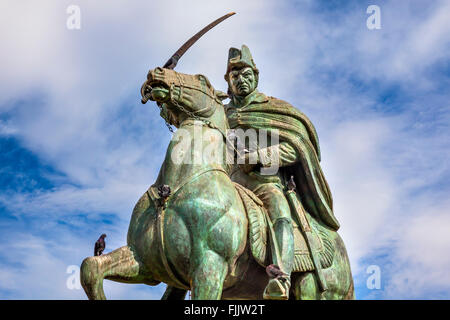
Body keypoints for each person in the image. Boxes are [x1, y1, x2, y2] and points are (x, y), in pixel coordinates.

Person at [224, 45, 340, 299]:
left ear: (256, 76)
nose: (241, 80)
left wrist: (260, 157)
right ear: (228, 82)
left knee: (280, 213)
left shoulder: (276, 109)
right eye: (235, 77)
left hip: (265, 182)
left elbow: (297, 148)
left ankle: (281, 279)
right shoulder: (222, 114)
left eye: (246, 74)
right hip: (228, 184)